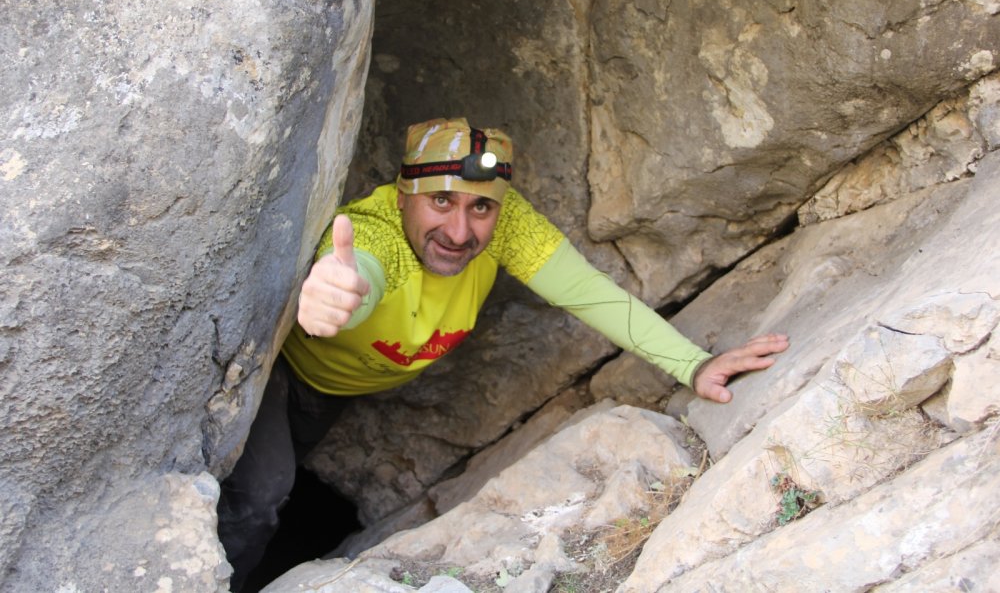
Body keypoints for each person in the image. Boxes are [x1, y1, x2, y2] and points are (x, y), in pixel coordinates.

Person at [217, 117, 789, 590]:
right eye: (441, 200)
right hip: (275, 374)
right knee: (261, 495)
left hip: (334, 394)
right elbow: (357, 270)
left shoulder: (510, 225)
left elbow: (590, 294)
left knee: (270, 480)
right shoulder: (376, 230)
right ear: (403, 194)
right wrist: (333, 295)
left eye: (480, 208)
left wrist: (693, 364)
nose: (459, 231)